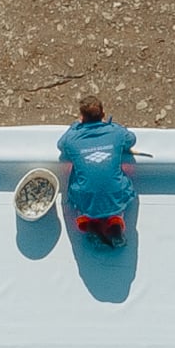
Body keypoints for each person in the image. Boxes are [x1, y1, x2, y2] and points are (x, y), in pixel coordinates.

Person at [58, 97, 139, 247]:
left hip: (85, 198)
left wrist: (75, 125)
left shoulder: (72, 138)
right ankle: (115, 222)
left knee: (77, 176)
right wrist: (110, 125)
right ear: (103, 114)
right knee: (117, 181)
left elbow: (60, 145)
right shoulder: (116, 132)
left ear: (82, 117)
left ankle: (91, 225)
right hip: (116, 195)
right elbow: (131, 139)